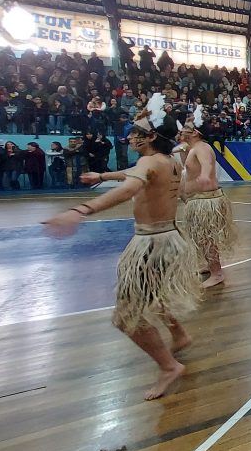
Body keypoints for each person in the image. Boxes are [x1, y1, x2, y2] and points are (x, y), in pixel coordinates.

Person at [42, 99, 199, 400]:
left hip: (151, 243)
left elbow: (129, 187)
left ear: (152, 136)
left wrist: (80, 211)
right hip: (168, 239)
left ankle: (168, 367)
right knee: (154, 295)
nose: (131, 135)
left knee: (125, 316)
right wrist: (102, 176)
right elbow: (133, 174)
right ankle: (179, 334)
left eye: (137, 131)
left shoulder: (150, 162)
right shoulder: (169, 161)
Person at [179, 107, 238, 287]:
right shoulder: (192, 148)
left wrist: (205, 175)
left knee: (206, 237)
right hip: (198, 199)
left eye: (186, 128)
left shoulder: (202, 148)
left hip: (206, 199)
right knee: (200, 236)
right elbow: (187, 167)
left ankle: (217, 272)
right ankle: (209, 265)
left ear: (195, 132)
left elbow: (206, 164)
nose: (182, 130)